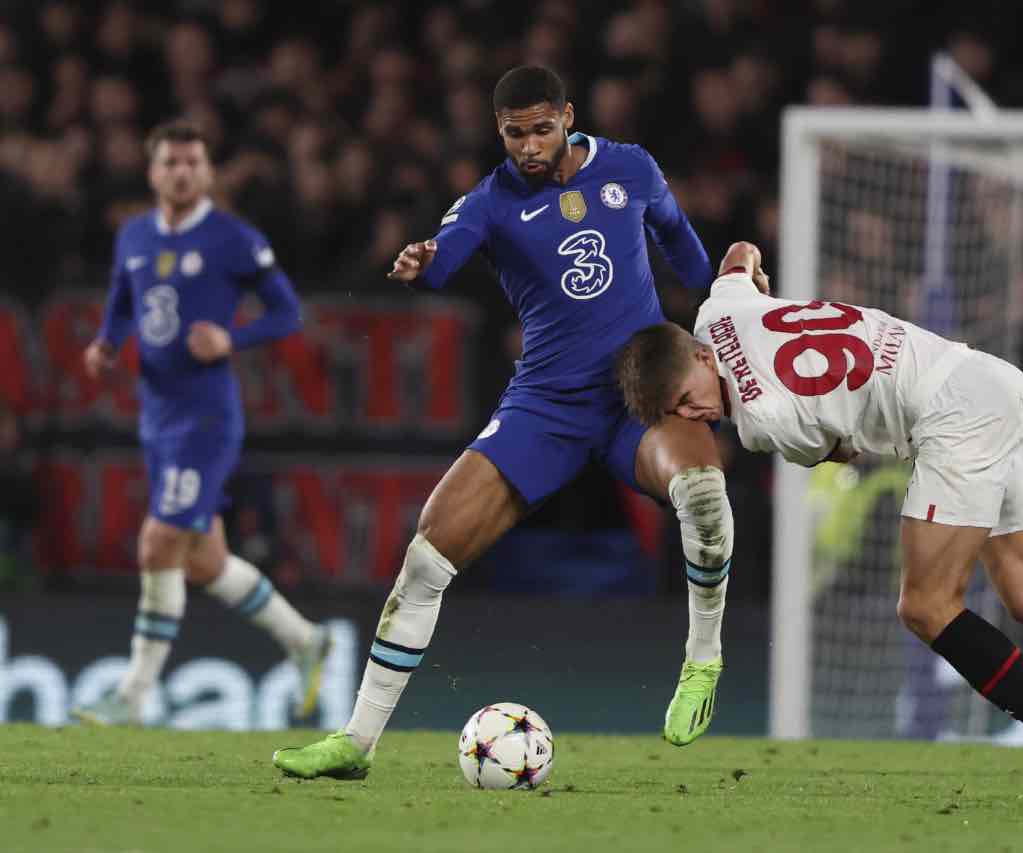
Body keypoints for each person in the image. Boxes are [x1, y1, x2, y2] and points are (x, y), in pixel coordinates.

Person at [614, 241, 1023, 800]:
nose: (698, 416)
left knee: (924, 605)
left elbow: (845, 451)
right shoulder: (716, 312)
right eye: (681, 415)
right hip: (991, 380)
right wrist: (757, 286)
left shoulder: (761, 421)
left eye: (687, 400)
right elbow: (740, 252)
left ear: (699, 356)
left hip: (952, 420)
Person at [273, 66, 731, 780]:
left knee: (703, 496)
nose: (528, 146)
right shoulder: (488, 203)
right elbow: (444, 253)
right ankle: (355, 743)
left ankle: (702, 660)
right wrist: (423, 259)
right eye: (515, 134)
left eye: (541, 129)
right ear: (500, 132)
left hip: (635, 391)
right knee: (425, 557)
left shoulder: (630, 169)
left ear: (568, 117)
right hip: (544, 405)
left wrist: (723, 297)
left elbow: (683, 245)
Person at [72, 119, 331, 726]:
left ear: (208, 172)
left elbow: (288, 313)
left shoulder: (233, 239)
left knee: (158, 540)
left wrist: (232, 339)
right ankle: (306, 641)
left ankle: (133, 695)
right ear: (153, 172)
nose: (182, 172)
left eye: (192, 162)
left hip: (205, 416)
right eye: (170, 163)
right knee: (204, 562)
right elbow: (121, 298)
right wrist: (108, 343)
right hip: (156, 412)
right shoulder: (133, 235)